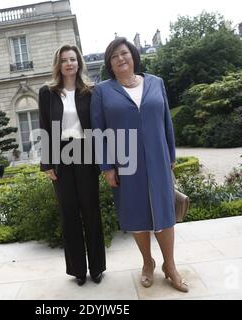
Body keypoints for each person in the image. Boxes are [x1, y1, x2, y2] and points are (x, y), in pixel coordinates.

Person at [90, 37, 188, 292]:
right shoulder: (102, 90)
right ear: (109, 64)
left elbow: (167, 121)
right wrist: (107, 167)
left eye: (124, 53)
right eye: (114, 56)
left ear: (133, 56)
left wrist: (171, 156)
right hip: (125, 162)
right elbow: (98, 131)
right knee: (136, 213)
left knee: (165, 214)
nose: (120, 59)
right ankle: (148, 263)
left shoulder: (156, 82)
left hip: (158, 158)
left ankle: (170, 266)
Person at [38, 44, 106, 286]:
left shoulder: (90, 91)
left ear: (79, 63)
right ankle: (78, 269)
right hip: (61, 156)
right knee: (69, 214)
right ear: (59, 64)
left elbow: (99, 125)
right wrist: (47, 163)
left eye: (73, 59)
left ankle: (97, 267)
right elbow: (45, 127)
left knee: (91, 211)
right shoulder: (47, 92)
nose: (69, 63)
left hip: (86, 152)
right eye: (65, 60)